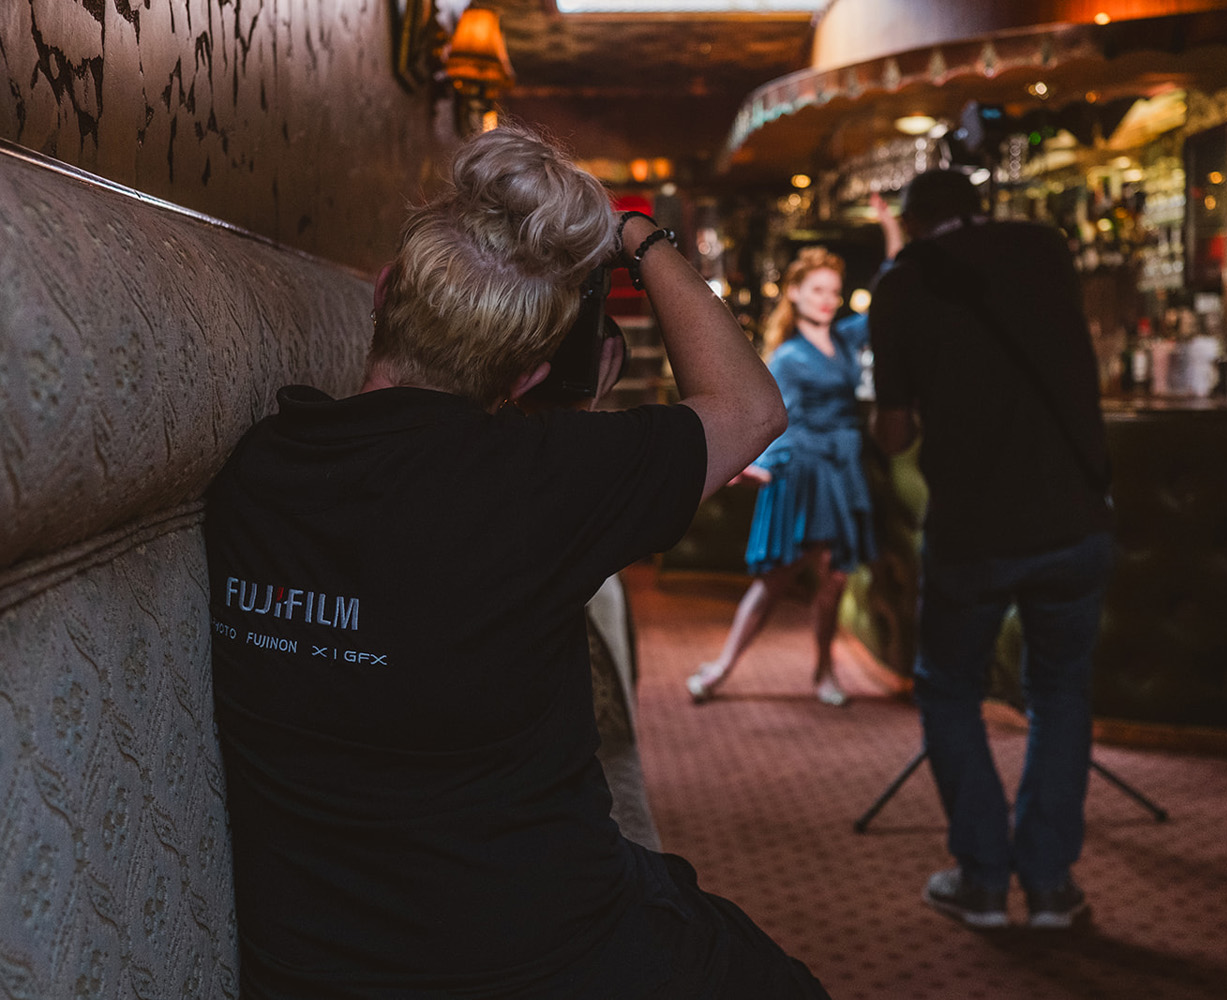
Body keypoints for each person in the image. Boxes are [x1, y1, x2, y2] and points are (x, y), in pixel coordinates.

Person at [205, 124, 831, 999]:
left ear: (383, 293)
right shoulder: (544, 481)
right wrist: (634, 234)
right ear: (533, 376)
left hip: (310, 968)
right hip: (540, 955)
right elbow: (752, 407)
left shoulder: (258, 470)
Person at [868, 169, 1114, 930]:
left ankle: (981, 881)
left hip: (975, 529)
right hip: (1076, 515)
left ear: (909, 224)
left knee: (948, 689)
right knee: (1060, 692)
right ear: (976, 209)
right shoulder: (1047, 248)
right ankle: (1048, 887)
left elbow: (898, 432)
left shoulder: (900, 287)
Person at [686, 246, 876, 708]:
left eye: (834, 291)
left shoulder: (846, 340)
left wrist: (893, 237)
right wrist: (759, 465)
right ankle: (722, 666)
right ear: (795, 293)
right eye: (817, 290)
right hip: (804, 469)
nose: (828, 299)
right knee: (776, 578)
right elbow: (775, 416)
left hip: (841, 469)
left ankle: (824, 670)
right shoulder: (790, 356)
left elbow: (886, 305)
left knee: (833, 579)